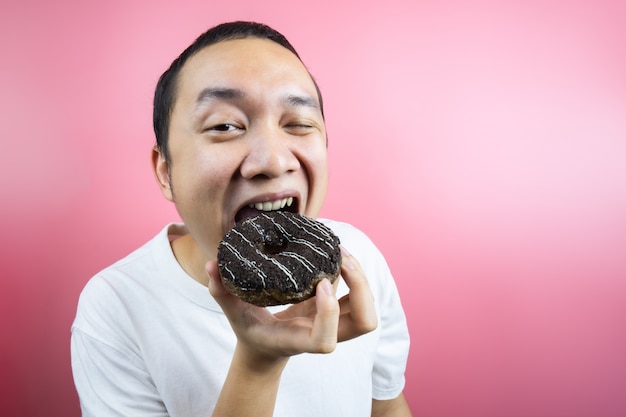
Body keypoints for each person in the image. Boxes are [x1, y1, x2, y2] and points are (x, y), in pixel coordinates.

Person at [71, 21, 412, 417]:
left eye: (299, 123)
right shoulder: (116, 307)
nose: (272, 160)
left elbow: (386, 407)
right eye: (225, 126)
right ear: (166, 171)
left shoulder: (360, 258)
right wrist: (257, 364)